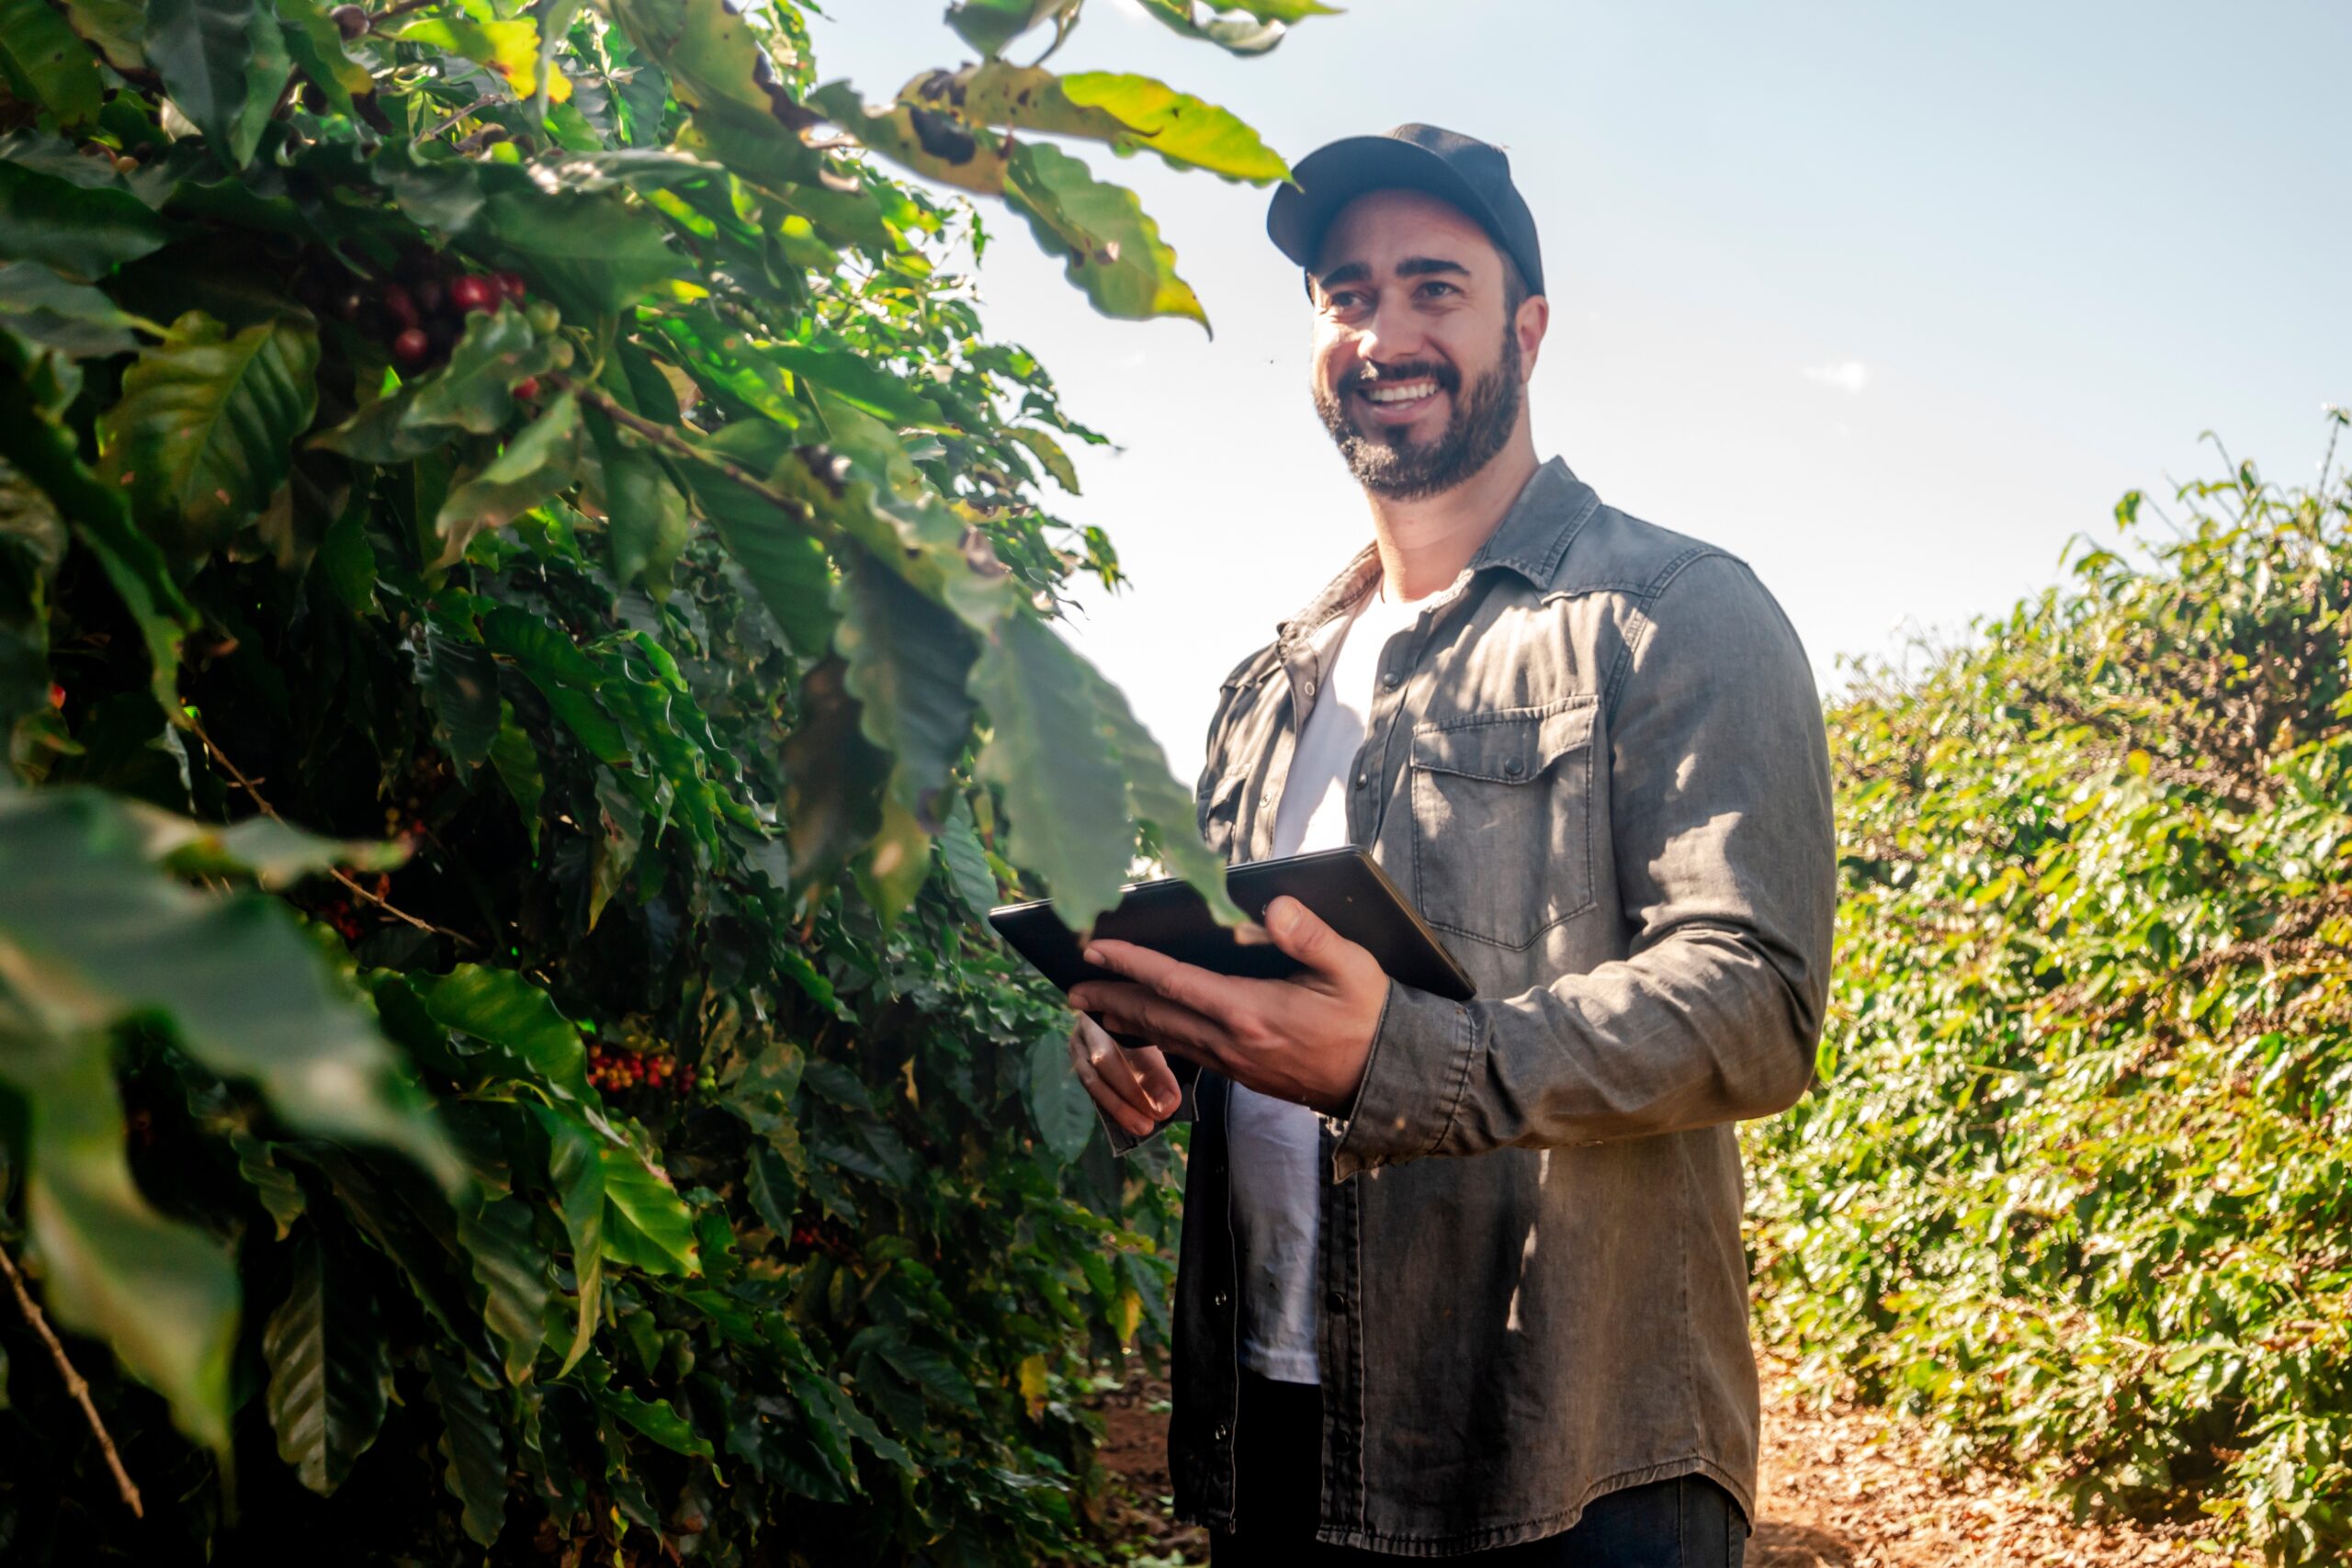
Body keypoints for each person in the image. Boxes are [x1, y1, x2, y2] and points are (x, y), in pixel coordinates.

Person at [1063, 124, 1836, 1566]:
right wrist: (1139, 1027)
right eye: (1347, 294)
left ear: (1526, 330)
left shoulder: (1675, 615)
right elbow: (1253, 988)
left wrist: (1399, 1064)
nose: (1384, 330)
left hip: (1573, 1451)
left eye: (1435, 287)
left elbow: (1757, 1003)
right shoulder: (1272, 680)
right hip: (1282, 1426)